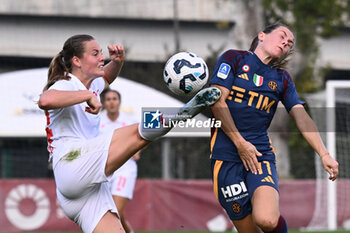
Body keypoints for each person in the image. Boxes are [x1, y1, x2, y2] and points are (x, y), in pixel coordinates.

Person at [38, 34, 221, 233]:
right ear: (76, 61)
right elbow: (45, 100)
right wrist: (87, 97)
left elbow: (107, 77)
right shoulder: (67, 83)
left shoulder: (92, 84)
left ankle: (182, 113)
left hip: (84, 191)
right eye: (95, 53)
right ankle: (184, 112)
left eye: (101, 52)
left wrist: (117, 62)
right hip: (72, 163)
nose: (102, 57)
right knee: (139, 131)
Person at [209, 23, 339, 233]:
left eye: (289, 44)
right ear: (262, 35)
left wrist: (323, 154)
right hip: (225, 159)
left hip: (260, 156)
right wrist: (240, 143)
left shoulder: (282, 79)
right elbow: (217, 102)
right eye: (282, 36)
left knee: (267, 220)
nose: (286, 43)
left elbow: (302, 116)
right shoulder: (233, 58)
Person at [100, 89, 140, 233]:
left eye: (114, 99)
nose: (112, 102)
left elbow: (142, 138)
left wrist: (137, 150)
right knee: (100, 215)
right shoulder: (96, 122)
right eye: (108, 99)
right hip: (102, 171)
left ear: (119, 102)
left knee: (115, 212)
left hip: (125, 169)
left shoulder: (129, 122)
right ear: (103, 103)